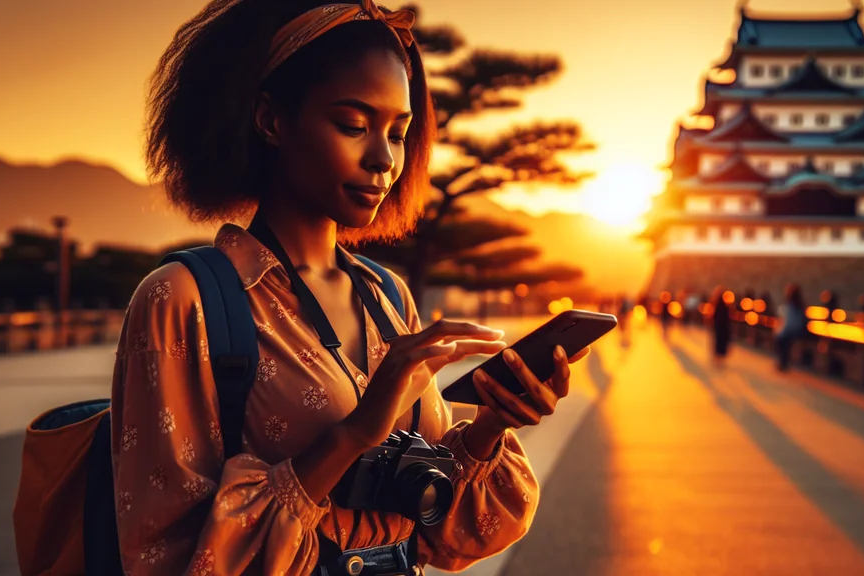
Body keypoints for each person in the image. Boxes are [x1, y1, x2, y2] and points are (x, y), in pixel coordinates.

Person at [113, 2, 591, 573]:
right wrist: (357, 432)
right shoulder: (182, 299)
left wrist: (492, 424)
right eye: (353, 125)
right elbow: (164, 553)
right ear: (271, 120)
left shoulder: (388, 298)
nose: (384, 159)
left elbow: (442, 536)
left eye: (399, 132)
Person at [775, 283, 807, 372]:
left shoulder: (791, 305)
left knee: (782, 340)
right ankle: (783, 363)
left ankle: (783, 363)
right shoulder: (799, 305)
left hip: (790, 331)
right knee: (783, 341)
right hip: (793, 330)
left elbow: (784, 317)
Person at [708, 286, 731, 367]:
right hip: (723, 328)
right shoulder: (725, 306)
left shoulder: (716, 305)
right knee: (722, 344)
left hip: (718, 327)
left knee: (718, 343)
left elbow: (713, 317)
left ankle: (717, 358)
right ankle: (720, 360)